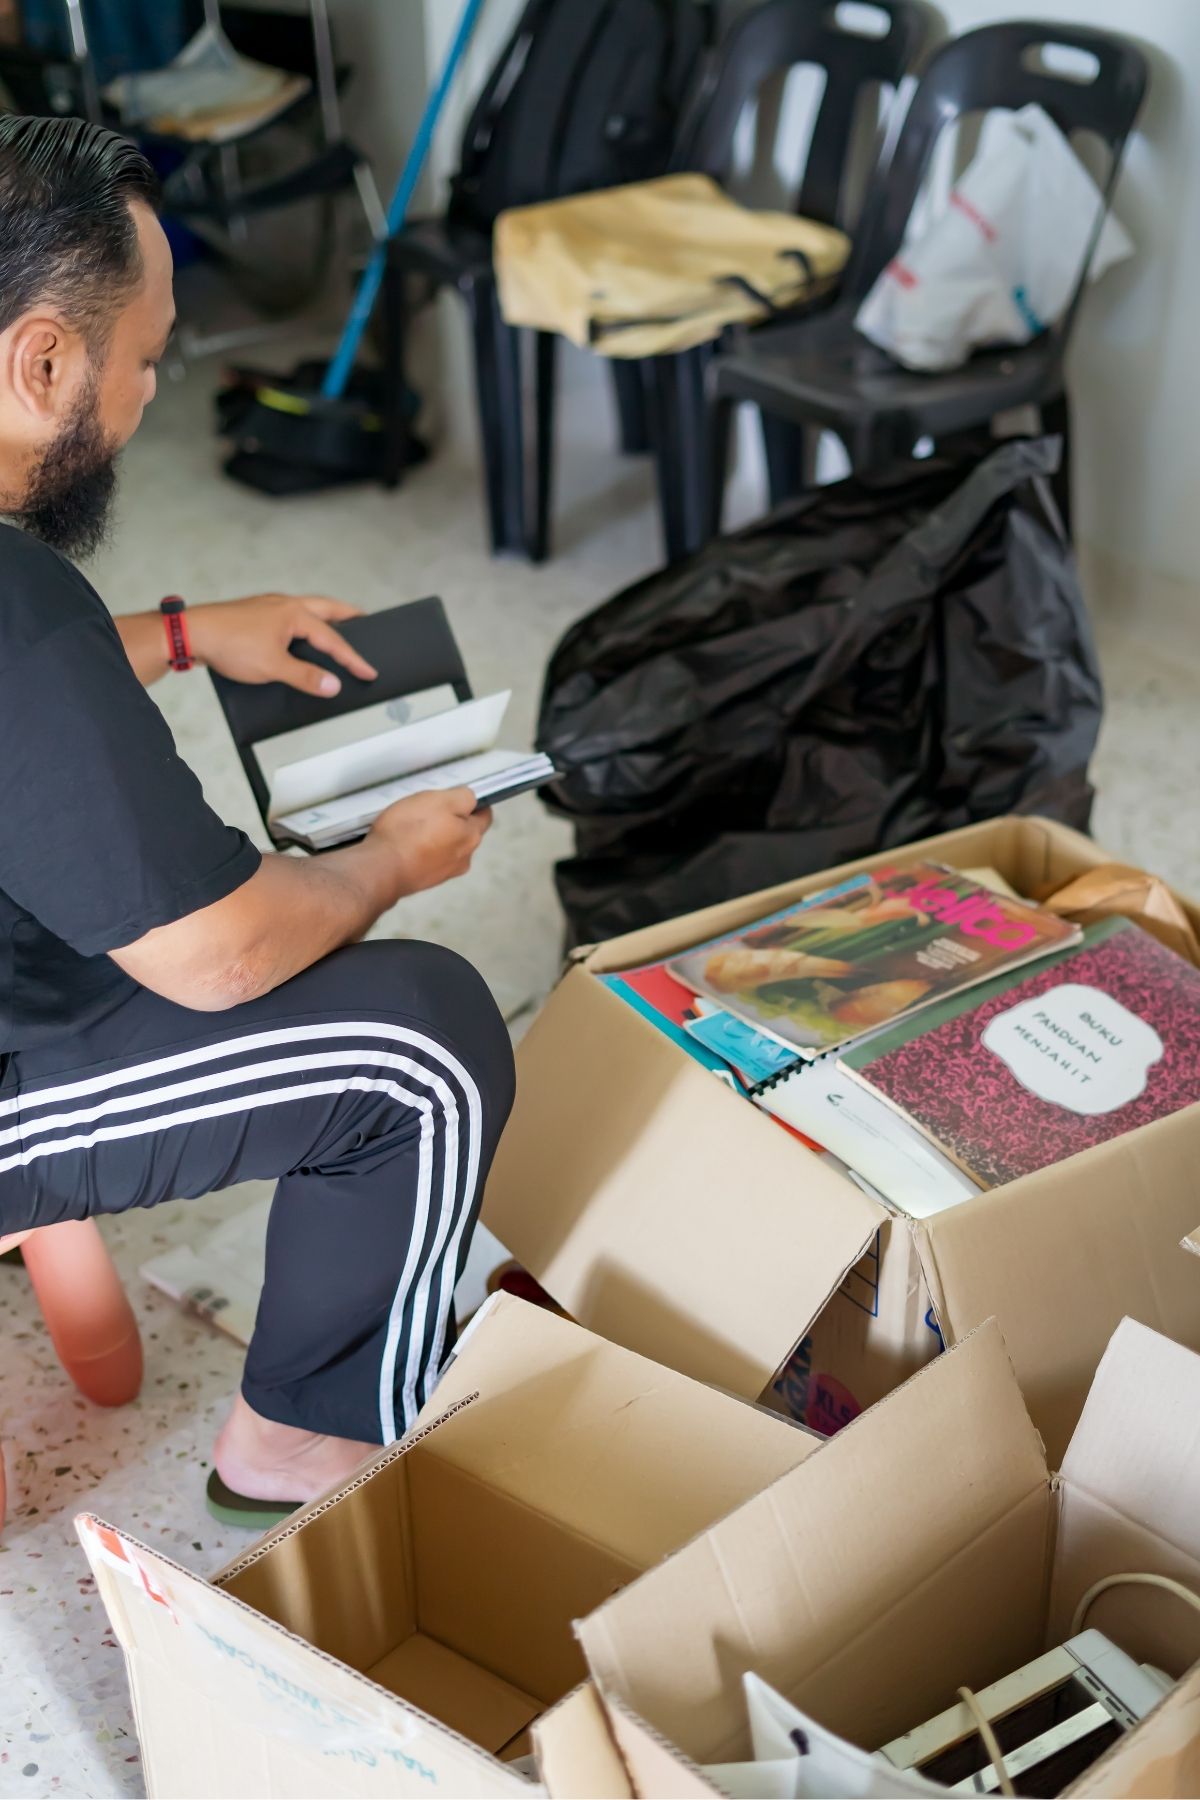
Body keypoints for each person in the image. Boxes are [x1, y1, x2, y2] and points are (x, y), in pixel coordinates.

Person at [0, 115, 514, 1526]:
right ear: (44, 360)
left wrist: (176, 633)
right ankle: (301, 1442)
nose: (153, 393)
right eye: (146, 356)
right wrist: (389, 863)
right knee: (426, 1046)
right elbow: (216, 955)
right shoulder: (18, 615)